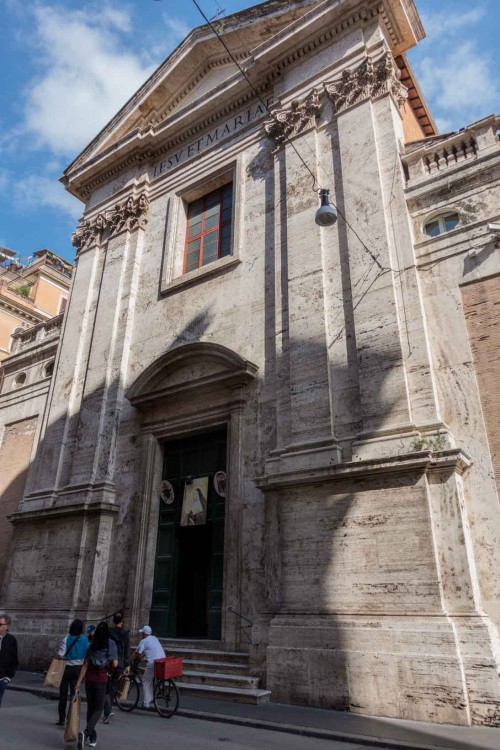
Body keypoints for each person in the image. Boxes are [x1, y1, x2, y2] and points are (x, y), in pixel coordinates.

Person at [75, 621, 118, 749]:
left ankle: (92, 737)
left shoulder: (92, 645)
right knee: (99, 709)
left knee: (90, 708)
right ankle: (86, 733)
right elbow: (115, 664)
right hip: (101, 679)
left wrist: (78, 682)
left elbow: (85, 665)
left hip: (89, 680)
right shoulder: (111, 644)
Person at [56, 619, 88, 726]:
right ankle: (71, 718)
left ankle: (61, 719)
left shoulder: (67, 638)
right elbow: (87, 655)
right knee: (74, 694)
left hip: (66, 668)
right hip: (78, 669)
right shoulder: (85, 640)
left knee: (63, 694)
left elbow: (61, 654)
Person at [103, 611, 131, 723]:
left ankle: (108, 709)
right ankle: (109, 707)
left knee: (107, 686)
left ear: (114, 621)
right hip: (120, 663)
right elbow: (127, 650)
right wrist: (127, 665)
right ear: (122, 621)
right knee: (113, 685)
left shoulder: (109, 632)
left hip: (110, 662)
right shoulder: (125, 634)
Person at [133, 625, 164, 709]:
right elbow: (149, 650)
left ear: (144, 633)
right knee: (150, 678)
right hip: (162, 661)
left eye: (142, 632)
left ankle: (146, 703)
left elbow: (138, 653)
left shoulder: (143, 641)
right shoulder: (155, 638)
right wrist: (143, 656)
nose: (141, 634)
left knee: (145, 680)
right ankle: (151, 697)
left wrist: (135, 659)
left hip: (153, 663)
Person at [0, 613, 18, 708]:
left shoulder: (11, 640)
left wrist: (8, 677)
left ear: (6, 626)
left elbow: (14, 659)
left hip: (2, 678)